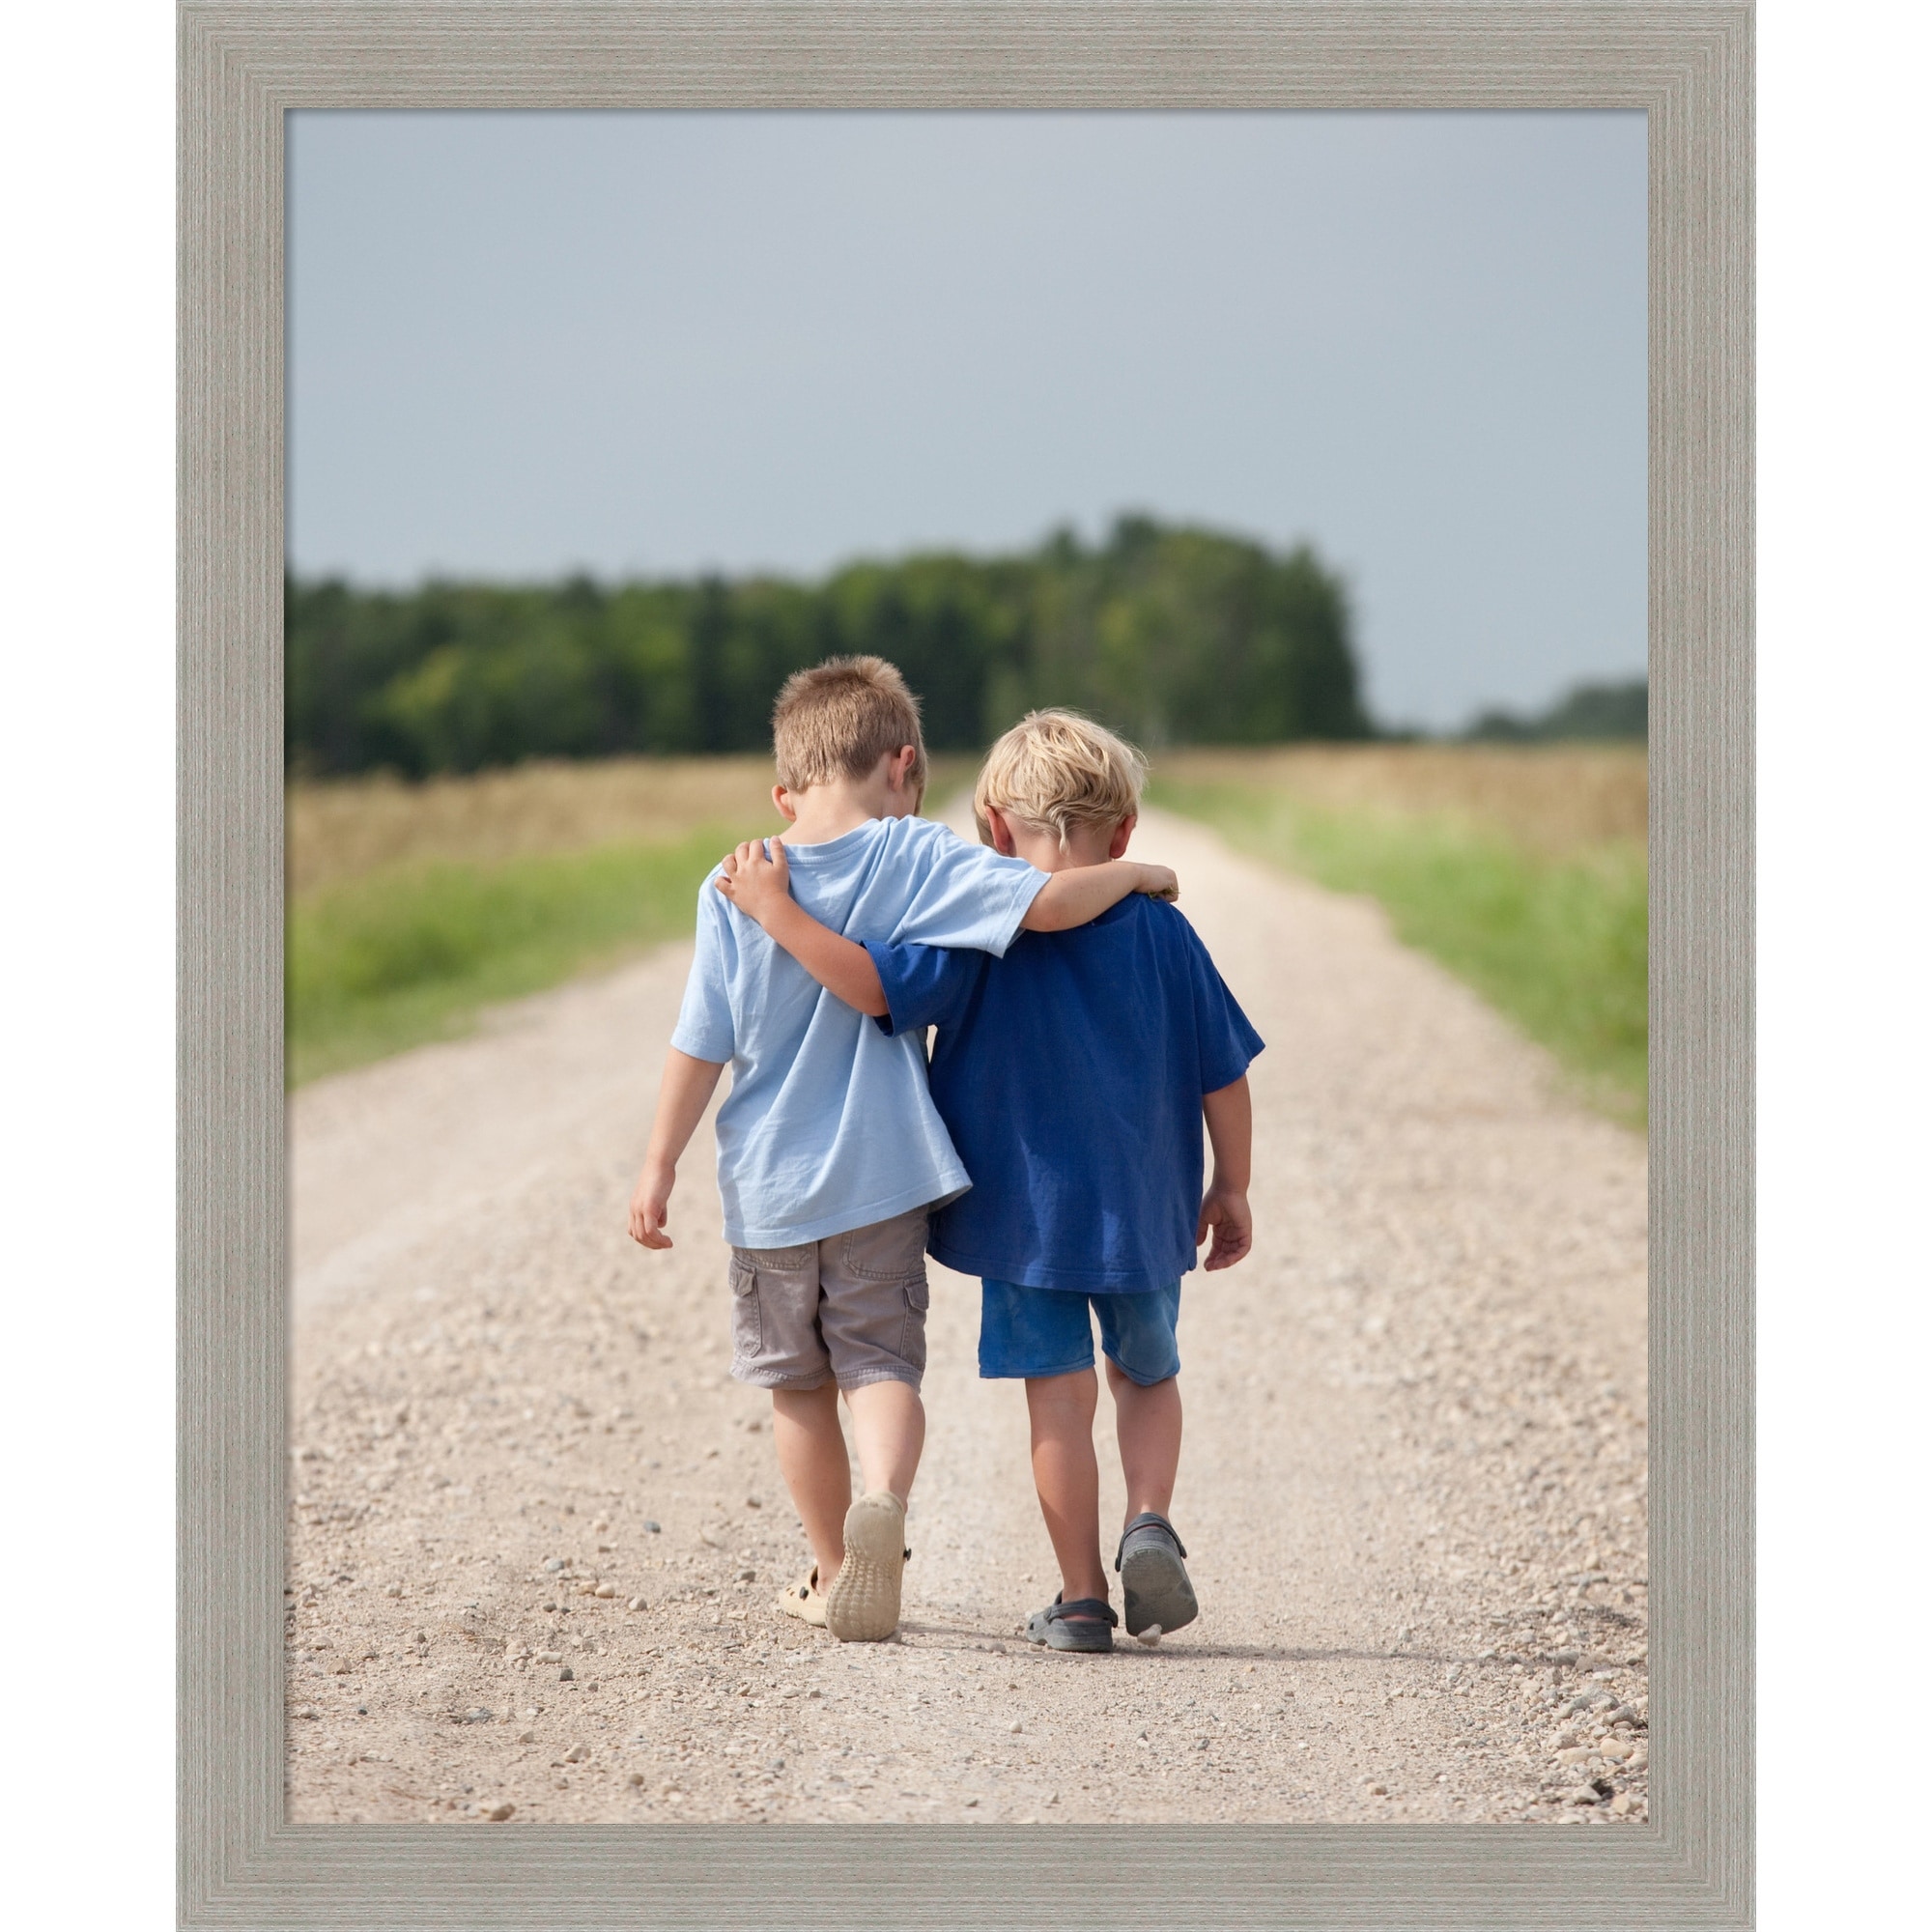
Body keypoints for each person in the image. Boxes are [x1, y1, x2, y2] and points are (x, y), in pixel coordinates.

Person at [626, 662, 1179, 1643]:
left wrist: (659, 1162)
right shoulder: (915, 854)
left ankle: (836, 1568)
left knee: (797, 1387)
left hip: (768, 1187)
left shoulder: (732, 881)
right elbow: (1051, 905)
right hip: (884, 1176)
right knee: (881, 1365)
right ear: (903, 765)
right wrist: (1137, 874)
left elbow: (700, 1040)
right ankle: (883, 1491)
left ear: (784, 791)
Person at [719, 708, 1262, 1655]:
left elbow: (870, 986)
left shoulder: (973, 931)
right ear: (1124, 836)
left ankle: (1082, 1598)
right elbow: (1224, 1074)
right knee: (1146, 1373)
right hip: (1145, 1212)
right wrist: (1233, 1185)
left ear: (995, 832)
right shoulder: (1163, 934)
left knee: (1057, 1399)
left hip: (1025, 1224)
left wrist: (779, 914)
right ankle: (1148, 1517)